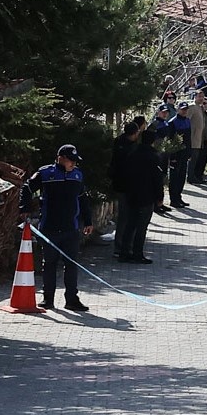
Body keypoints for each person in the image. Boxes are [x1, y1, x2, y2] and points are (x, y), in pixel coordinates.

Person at [19, 144, 94, 311]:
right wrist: (24, 208)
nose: (73, 164)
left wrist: (88, 221)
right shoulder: (45, 173)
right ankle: (48, 299)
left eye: (75, 161)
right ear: (61, 158)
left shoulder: (77, 175)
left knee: (71, 264)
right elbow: (26, 188)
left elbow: (83, 199)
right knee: (49, 264)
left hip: (71, 228)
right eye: (70, 160)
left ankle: (72, 299)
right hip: (50, 228)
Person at [115, 122, 162, 264]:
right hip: (146, 196)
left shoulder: (132, 152)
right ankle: (137, 253)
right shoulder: (153, 156)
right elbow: (157, 179)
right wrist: (159, 197)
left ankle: (124, 252)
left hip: (132, 193)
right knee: (142, 227)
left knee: (130, 224)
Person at [109, 117, 146, 262]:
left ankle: (121, 246)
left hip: (119, 184)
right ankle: (122, 247)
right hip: (129, 186)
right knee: (127, 217)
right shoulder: (132, 148)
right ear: (135, 133)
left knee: (124, 217)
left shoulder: (118, 142)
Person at [164, 100, 194, 208]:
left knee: (182, 177)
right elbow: (170, 140)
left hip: (184, 153)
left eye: (186, 109)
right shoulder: (172, 122)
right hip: (176, 154)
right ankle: (173, 199)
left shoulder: (187, 121)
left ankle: (178, 197)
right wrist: (172, 156)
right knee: (174, 178)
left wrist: (189, 152)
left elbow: (188, 139)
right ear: (178, 110)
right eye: (182, 109)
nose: (184, 111)